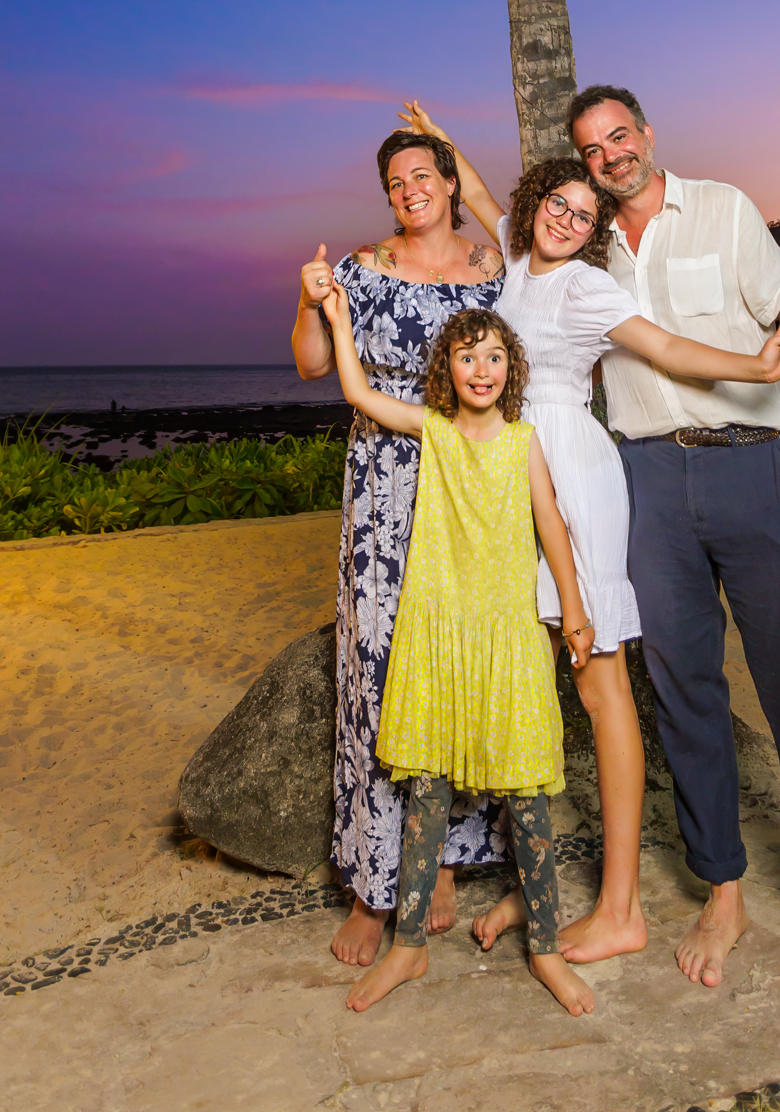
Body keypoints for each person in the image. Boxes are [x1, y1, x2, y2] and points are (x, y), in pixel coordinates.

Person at [402, 102, 780, 971]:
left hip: (572, 474)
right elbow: (471, 190)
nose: (567, 217)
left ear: (592, 233)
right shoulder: (513, 252)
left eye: (585, 215)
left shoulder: (589, 286)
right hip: (509, 476)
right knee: (537, 673)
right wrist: (435, 140)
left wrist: (755, 363)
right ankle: (539, 880)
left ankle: (621, 907)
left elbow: (666, 348)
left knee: (599, 681)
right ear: (540, 200)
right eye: (559, 201)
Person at [567, 84, 780, 1033]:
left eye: (620, 135)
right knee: (687, 697)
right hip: (646, 485)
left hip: (750, 469)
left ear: (647, 136)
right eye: (591, 149)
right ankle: (723, 890)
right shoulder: (587, 249)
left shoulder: (724, 207)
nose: (610, 154)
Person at [318, 289, 598, 1019]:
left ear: (513, 367)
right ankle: (407, 948)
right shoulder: (435, 432)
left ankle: (544, 950)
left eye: (495, 356)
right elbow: (357, 392)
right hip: (435, 634)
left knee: (530, 801)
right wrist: (341, 323)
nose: (482, 368)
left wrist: (571, 608)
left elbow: (554, 530)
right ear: (448, 367)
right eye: (468, 356)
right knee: (427, 798)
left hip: (507, 638)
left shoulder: (523, 442)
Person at [291, 130, 505, 967]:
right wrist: (310, 299)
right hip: (385, 491)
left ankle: (442, 856)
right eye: (394, 180)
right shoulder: (361, 267)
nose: (408, 188)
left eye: (423, 173)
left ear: (451, 182)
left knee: (453, 667)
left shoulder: (491, 268)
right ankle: (373, 884)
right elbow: (312, 365)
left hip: (470, 490)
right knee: (378, 674)